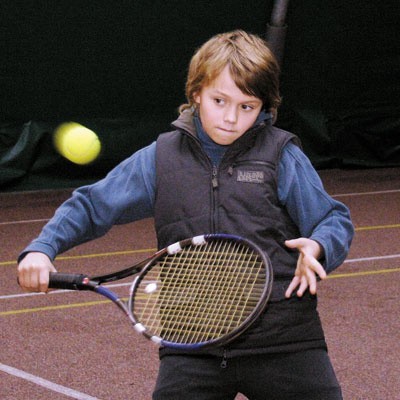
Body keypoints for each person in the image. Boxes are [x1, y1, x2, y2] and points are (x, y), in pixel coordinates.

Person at [18, 30, 354, 399]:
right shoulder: (160, 158)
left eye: (247, 106)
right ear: (196, 94)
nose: (230, 118)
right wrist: (43, 248)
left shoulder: (281, 155)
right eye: (219, 100)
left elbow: (333, 218)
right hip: (192, 346)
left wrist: (319, 246)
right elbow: (92, 205)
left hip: (284, 340)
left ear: (264, 108)